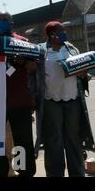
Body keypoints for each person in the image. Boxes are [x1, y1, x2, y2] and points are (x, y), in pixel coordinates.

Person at [31, 21, 95, 177]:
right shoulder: (41, 51)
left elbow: (82, 72)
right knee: (54, 141)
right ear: (52, 35)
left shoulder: (72, 48)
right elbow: (33, 75)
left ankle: (77, 172)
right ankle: (55, 174)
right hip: (51, 101)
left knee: (74, 138)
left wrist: (83, 74)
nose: (64, 33)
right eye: (61, 31)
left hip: (72, 100)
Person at [0, 11, 36, 177]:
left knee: (22, 141)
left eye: (5, 20)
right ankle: (1, 172)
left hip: (20, 101)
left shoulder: (23, 42)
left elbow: (33, 67)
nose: (2, 22)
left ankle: (22, 171)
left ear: (12, 23)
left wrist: (23, 61)